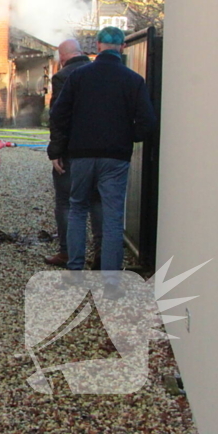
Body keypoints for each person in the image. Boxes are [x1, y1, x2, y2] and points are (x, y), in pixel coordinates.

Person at [48, 26, 157, 293]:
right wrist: (127, 136)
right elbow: (147, 122)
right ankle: (110, 281)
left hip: (81, 154)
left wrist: (60, 149)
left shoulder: (79, 77)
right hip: (115, 157)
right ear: (122, 47)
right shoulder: (133, 80)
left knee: (77, 209)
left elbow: (58, 114)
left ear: (97, 46)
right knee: (112, 216)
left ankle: (75, 273)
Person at [45, 39, 103, 269]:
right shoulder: (98, 72)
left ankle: (68, 253)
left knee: (66, 202)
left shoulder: (63, 76)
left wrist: (56, 151)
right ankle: (101, 254)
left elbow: (59, 117)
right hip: (100, 149)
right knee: (97, 201)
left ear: (62, 57)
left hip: (72, 150)